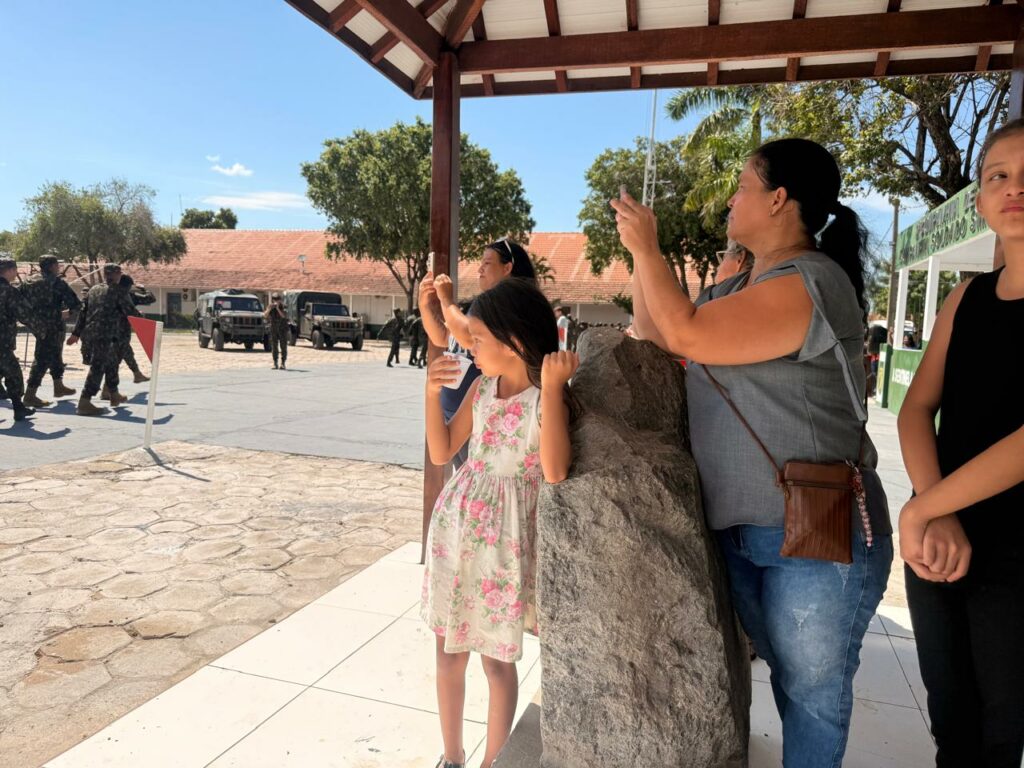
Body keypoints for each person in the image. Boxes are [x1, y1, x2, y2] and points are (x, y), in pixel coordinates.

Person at [613, 138, 893, 767]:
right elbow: (659, 329)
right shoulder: (738, 287)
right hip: (745, 529)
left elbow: (687, 332)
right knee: (791, 683)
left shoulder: (813, 281)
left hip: (815, 533)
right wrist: (639, 258)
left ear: (778, 199)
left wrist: (650, 248)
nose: (732, 199)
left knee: (813, 694)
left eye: (743, 186)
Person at [897, 118, 1024, 767]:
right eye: (998, 175)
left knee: (1004, 734)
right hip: (945, 545)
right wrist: (936, 507)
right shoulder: (965, 298)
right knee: (953, 723)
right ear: (979, 200)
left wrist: (922, 507)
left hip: (1016, 556)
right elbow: (917, 407)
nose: (1014, 189)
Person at [421, 277, 577, 768]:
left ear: (513, 342)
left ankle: (494, 761)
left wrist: (552, 389)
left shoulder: (545, 397)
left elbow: (553, 471)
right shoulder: (484, 387)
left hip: (504, 542)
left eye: (480, 339)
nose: (472, 347)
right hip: (458, 526)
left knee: (496, 660)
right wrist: (431, 394)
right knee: (448, 651)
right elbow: (443, 449)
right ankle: (452, 757)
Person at [420, 239, 537, 468]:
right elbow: (444, 337)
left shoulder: (509, 309)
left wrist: (445, 299)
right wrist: (426, 305)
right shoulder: (481, 307)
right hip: (460, 413)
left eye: (487, 262)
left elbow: (465, 336)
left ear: (508, 267)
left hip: (484, 413)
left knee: (479, 472)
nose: (480, 269)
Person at [67, 264, 140, 415]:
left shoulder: (94, 290)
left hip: (91, 334)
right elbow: (131, 313)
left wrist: (76, 333)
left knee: (111, 363)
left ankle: (114, 394)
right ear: (118, 274)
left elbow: (83, 312)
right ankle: (84, 402)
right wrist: (145, 322)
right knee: (97, 367)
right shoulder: (119, 291)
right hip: (107, 336)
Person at [21, 256, 81, 408]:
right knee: (42, 358)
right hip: (53, 325)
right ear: (52, 266)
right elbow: (75, 304)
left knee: (54, 353)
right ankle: (30, 395)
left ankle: (58, 386)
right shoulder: (57, 283)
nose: (58, 267)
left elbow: (18, 299)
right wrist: (65, 313)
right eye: (57, 265)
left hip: (36, 324)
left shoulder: (29, 281)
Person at [0, 259, 36, 421]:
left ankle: (19, 408)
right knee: (14, 375)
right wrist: (41, 328)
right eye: (15, 270)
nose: (16, 273)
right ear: (9, 270)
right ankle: (19, 408)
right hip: (3, 342)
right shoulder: (8, 291)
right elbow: (25, 314)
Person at [104, 275, 152, 391]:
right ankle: (108, 390)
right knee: (115, 360)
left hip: (108, 331)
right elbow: (148, 300)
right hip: (119, 333)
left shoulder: (106, 294)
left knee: (124, 354)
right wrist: (143, 289)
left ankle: (136, 374)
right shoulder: (126, 296)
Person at [264, 292, 288, 370]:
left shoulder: (283, 306)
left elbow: (283, 316)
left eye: (277, 299)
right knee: (274, 346)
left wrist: (278, 308)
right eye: (274, 299)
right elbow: (265, 315)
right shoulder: (270, 306)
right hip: (274, 329)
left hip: (282, 329)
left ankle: (283, 363)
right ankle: (275, 362)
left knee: (283, 346)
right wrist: (269, 309)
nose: (276, 301)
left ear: (280, 300)